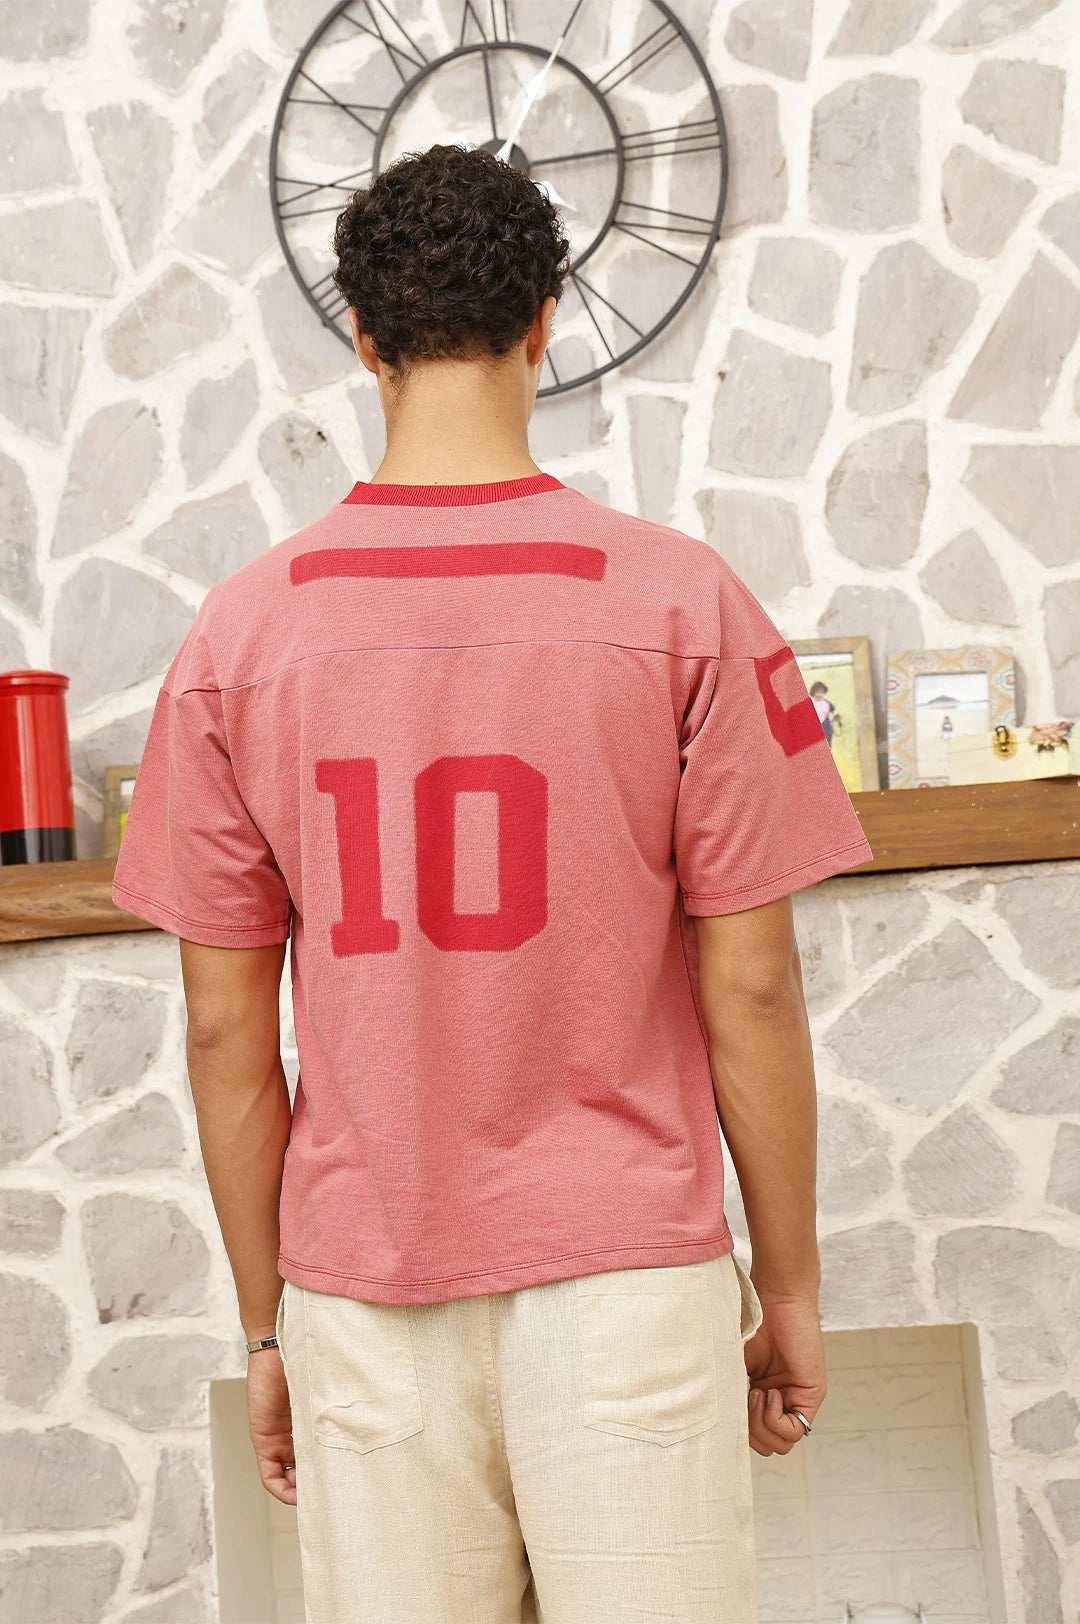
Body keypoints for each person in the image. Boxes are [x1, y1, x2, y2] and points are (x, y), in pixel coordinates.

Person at [112, 144, 873, 1623]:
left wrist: (268, 1330)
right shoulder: (679, 600)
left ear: (363, 339)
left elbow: (222, 1038)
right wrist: (786, 1294)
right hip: (628, 1281)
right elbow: (756, 983)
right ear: (545, 322)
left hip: (361, 1287)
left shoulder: (241, 635)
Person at [809, 679, 841, 748]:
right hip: (813, 730)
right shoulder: (809, 702)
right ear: (813, 692)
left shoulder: (827, 703)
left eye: (822, 692)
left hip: (827, 729)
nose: (820, 694)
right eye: (818, 692)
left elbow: (834, 710)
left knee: (828, 748)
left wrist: (836, 716)